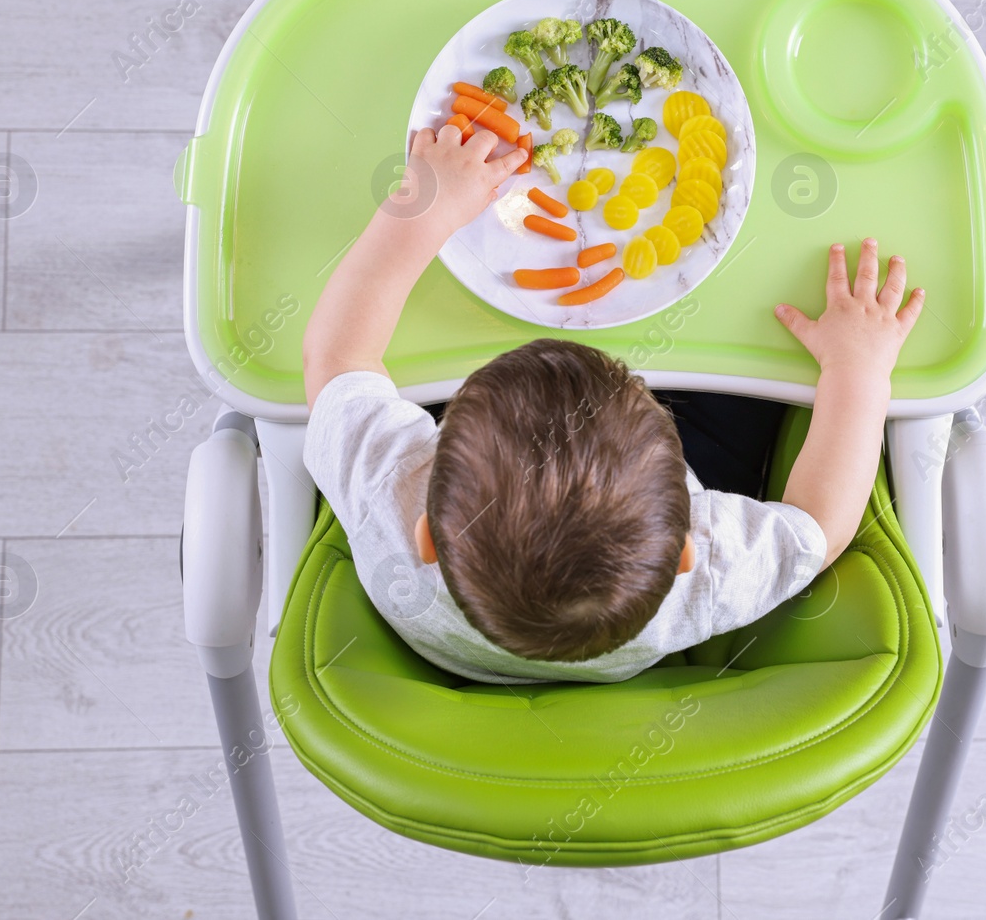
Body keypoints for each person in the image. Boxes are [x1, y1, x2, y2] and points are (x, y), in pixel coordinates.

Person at [301, 123, 922, 684]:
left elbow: (336, 358)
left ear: (426, 537)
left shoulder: (390, 506)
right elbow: (821, 526)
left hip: (469, 626)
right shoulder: (710, 576)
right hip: (626, 608)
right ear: (686, 548)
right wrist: (857, 368)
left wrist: (422, 207)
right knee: (746, 400)